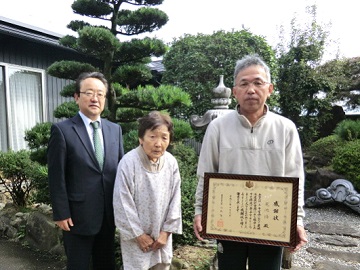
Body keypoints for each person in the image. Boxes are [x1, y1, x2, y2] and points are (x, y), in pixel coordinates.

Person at [193, 54, 308, 270]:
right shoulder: (218, 127)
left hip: (270, 223)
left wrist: (297, 221)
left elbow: (296, 178)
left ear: (270, 89)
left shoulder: (285, 128)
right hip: (228, 220)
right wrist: (200, 210)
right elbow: (206, 171)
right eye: (244, 84)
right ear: (234, 91)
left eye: (258, 83)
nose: (251, 89)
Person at [47, 72, 124, 270]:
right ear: (76, 97)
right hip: (76, 217)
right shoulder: (62, 130)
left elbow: (121, 172)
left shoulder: (115, 130)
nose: (94, 98)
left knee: (106, 264)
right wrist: (61, 212)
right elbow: (57, 176)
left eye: (100, 94)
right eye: (89, 92)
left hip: (108, 216)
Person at [113, 111, 182, 270]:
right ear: (141, 138)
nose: (158, 143)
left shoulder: (171, 163)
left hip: (162, 238)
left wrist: (166, 232)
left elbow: (175, 199)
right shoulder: (128, 163)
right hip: (136, 240)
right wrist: (139, 235)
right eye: (152, 136)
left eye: (164, 137)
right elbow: (122, 203)